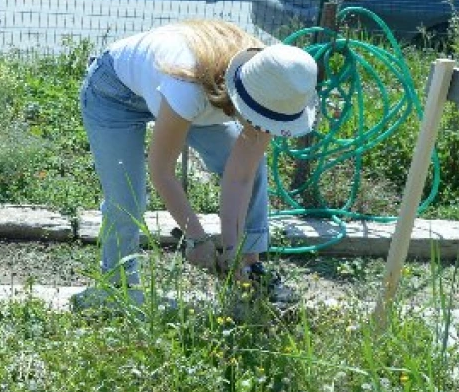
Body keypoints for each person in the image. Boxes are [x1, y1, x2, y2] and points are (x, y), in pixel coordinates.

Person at [77, 19, 319, 308]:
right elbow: (162, 170)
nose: (264, 127)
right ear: (243, 99)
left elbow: (240, 176)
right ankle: (117, 285)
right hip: (115, 92)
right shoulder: (190, 86)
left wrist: (231, 248)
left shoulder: (275, 86)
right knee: (126, 198)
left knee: (254, 174)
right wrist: (196, 239)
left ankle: (249, 270)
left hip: (200, 97)